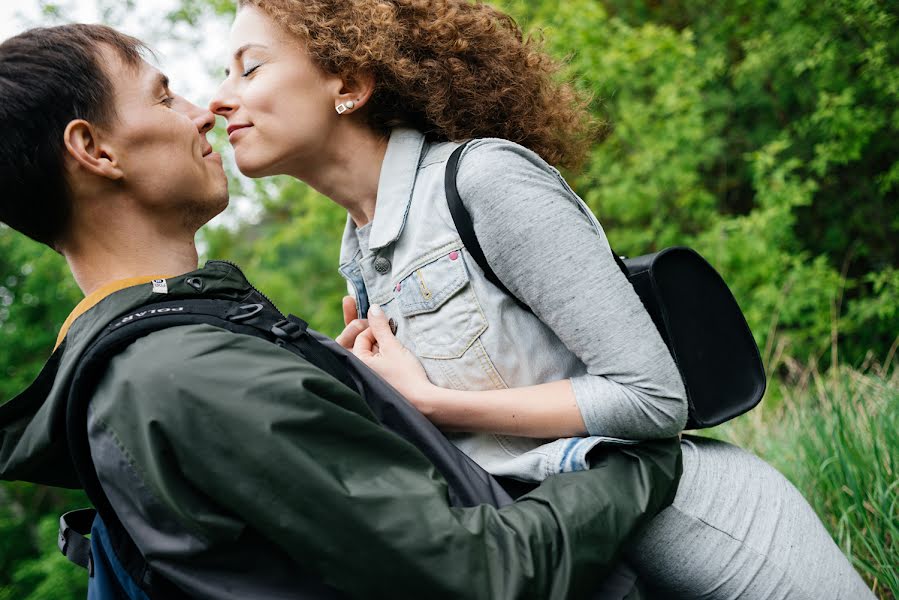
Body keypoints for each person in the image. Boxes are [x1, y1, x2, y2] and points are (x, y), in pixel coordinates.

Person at [209, 1, 875, 598]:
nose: (218, 99)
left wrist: (427, 403)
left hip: (711, 540)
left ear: (349, 85)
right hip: (586, 562)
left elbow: (651, 397)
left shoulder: (485, 180)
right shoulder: (358, 257)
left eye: (249, 68)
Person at [0, 23, 684, 600]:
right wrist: (636, 466)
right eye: (161, 96)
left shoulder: (181, 355)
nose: (201, 110)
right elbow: (480, 573)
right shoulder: (188, 374)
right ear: (94, 150)